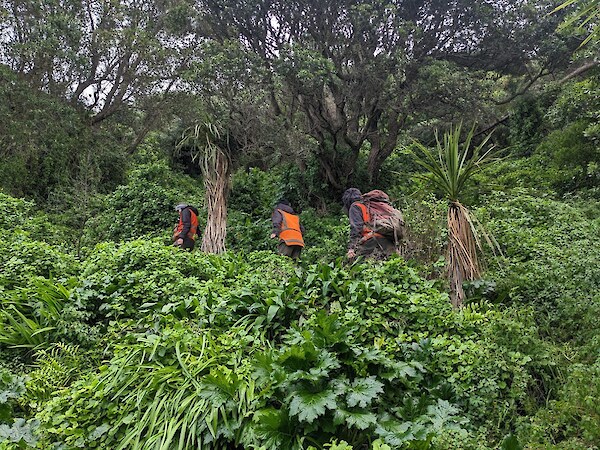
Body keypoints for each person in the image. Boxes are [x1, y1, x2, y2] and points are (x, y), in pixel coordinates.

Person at [342, 188, 402, 261]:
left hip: (371, 242)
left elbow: (356, 228)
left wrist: (351, 248)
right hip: (389, 242)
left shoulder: (356, 206)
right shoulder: (371, 206)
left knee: (357, 268)